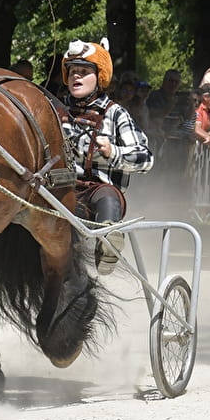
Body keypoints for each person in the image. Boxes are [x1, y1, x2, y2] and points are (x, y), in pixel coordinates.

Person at [58, 39, 152, 274]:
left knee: (108, 197)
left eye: (83, 71)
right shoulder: (55, 111)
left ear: (99, 77)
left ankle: (108, 243)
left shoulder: (116, 113)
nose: (75, 77)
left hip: (99, 190)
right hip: (61, 188)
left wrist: (113, 152)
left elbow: (145, 158)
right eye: (72, 72)